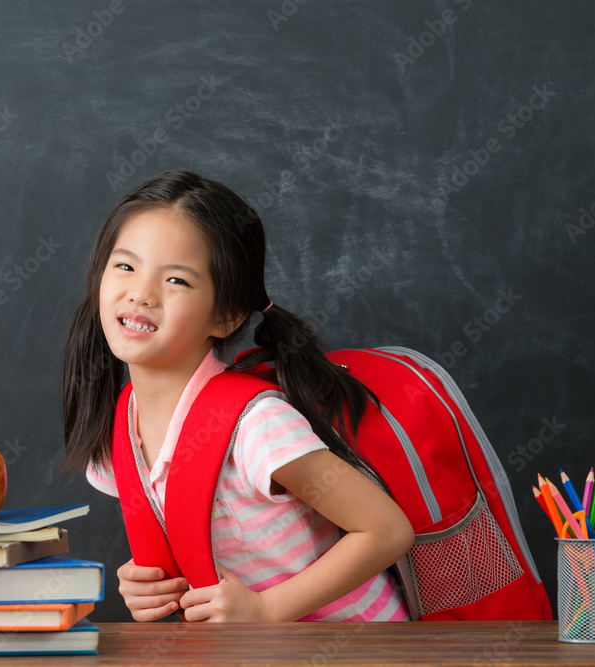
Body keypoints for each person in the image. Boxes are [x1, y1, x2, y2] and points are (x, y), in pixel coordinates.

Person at [62, 169, 414, 622]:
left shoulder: (257, 426)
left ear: (226, 317)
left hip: (358, 646)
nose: (141, 294)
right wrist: (145, 584)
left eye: (177, 281)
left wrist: (266, 609)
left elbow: (386, 530)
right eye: (126, 266)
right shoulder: (120, 433)